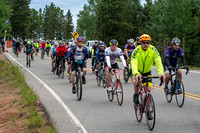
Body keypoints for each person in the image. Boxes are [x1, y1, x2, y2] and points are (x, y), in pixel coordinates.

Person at [131, 34, 164, 120]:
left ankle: (148, 111)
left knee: (148, 91)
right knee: (138, 81)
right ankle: (136, 94)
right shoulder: (136, 51)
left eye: (148, 43)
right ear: (140, 43)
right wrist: (136, 74)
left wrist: (161, 73)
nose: (146, 44)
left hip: (147, 72)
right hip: (138, 71)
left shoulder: (153, 50)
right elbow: (133, 63)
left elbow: (158, 62)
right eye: (144, 43)